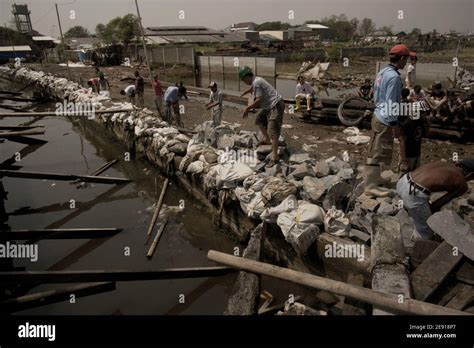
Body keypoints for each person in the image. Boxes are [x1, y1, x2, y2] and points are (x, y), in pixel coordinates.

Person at [364, 44, 416, 197]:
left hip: (377, 114)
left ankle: (375, 178)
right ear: (401, 58)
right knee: (379, 152)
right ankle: (370, 186)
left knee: (374, 148)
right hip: (386, 118)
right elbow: (392, 103)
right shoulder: (394, 77)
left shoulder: (383, 72)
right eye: (406, 59)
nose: (406, 62)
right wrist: (394, 125)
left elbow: (375, 94)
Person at [397, 160, 474, 240]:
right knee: (427, 229)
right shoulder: (462, 183)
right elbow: (438, 204)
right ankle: (414, 249)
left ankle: (409, 227)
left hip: (403, 182)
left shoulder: (444, 164)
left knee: (417, 213)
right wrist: (433, 218)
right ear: (471, 174)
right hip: (414, 194)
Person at [239, 66, 285, 167]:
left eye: (243, 80)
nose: (244, 82)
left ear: (247, 76)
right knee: (259, 119)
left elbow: (259, 99)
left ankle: (275, 156)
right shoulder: (256, 80)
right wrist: (247, 91)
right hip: (269, 106)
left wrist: (248, 108)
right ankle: (267, 139)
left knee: (273, 128)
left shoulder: (256, 82)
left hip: (276, 105)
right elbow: (254, 88)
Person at [398, 88, 428, 175]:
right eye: (424, 112)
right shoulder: (407, 124)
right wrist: (404, 161)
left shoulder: (421, 122)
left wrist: (427, 125)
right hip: (407, 156)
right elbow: (402, 142)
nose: (425, 115)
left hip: (416, 154)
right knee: (403, 177)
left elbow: (425, 135)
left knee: (414, 176)